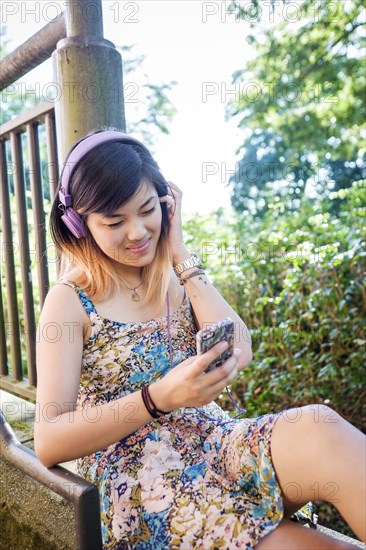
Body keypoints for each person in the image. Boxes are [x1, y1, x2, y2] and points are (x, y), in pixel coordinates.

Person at [34, 129, 365, 550]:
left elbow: (239, 347)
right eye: (115, 222)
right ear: (79, 224)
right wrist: (157, 398)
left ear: (166, 203)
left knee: (323, 429)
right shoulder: (70, 301)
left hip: (214, 440)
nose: (137, 232)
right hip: (141, 483)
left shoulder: (172, 277)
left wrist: (180, 254)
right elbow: (48, 441)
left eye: (148, 209)